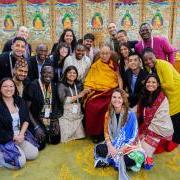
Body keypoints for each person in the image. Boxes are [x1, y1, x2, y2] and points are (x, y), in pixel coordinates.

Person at [94, 89, 145, 179]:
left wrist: (119, 150)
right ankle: (117, 161)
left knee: (132, 159)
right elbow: (106, 132)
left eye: (119, 98)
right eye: (114, 97)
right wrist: (110, 146)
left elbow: (133, 136)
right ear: (111, 99)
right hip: (113, 143)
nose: (116, 100)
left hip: (127, 146)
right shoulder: (108, 114)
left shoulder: (131, 115)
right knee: (99, 148)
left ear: (123, 100)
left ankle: (113, 160)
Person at [84, 45, 123, 142]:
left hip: (110, 91)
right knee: (91, 105)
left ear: (110, 54)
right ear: (99, 54)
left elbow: (118, 78)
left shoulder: (114, 65)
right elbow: (89, 79)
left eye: (106, 54)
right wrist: (87, 88)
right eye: (102, 53)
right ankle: (94, 133)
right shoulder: (95, 65)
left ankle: (106, 132)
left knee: (108, 106)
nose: (104, 56)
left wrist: (121, 90)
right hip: (97, 91)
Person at [142, 48, 180, 145]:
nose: (148, 61)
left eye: (150, 58)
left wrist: (156, 85)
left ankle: (176, 142)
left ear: (155, 56)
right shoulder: (152, 67)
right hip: (169, 96)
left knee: (174, 117)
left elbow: (170, 85)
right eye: (145, 60)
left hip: (176, 93)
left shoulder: (163, 65)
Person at [0, 78, 38, 169]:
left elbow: (26, 119)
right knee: (20, 162)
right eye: (5, 86)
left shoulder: (19, 100)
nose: (9, 89)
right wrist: (13, 137)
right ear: (0, 88)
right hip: (4, 138)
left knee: (34, 154)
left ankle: (16, 149)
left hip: (19, 136)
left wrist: (21, 135)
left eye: (11, 86)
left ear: (15, 88)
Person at [138, 74, 174, 169]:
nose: (151, 84)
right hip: (147, 126)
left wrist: (145, 130)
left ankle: (147, 159)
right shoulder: (145, 95)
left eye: (154, 82)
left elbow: (161, 118)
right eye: (148, 82)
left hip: (157, 128)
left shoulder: (163, 99)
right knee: (134, 145)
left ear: (158, 84)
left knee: (142, 152)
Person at [24, 64, 61, 150]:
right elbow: (26, 109)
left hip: (49, 116)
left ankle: (47, 132)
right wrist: (36, 127)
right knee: (41, 145)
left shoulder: (54, 85)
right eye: (45, 72)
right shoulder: (32, 86)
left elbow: (55, 104)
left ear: (53, 74)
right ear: (40, 73)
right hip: (36, 118)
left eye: (50, 73)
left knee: (56, 140)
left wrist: (55, 121)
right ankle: (36, 131)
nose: (48, 75)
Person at [58, 66, 89, 142]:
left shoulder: (78, 84)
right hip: (66, 115)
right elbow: (63, 100)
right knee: (65, 139)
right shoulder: (61, 85)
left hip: (77, 114)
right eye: (70, 72)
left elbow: (81, 99)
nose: (72, 74)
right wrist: (79, 95)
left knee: (81, 136)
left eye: (74, 73)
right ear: (66, 74)